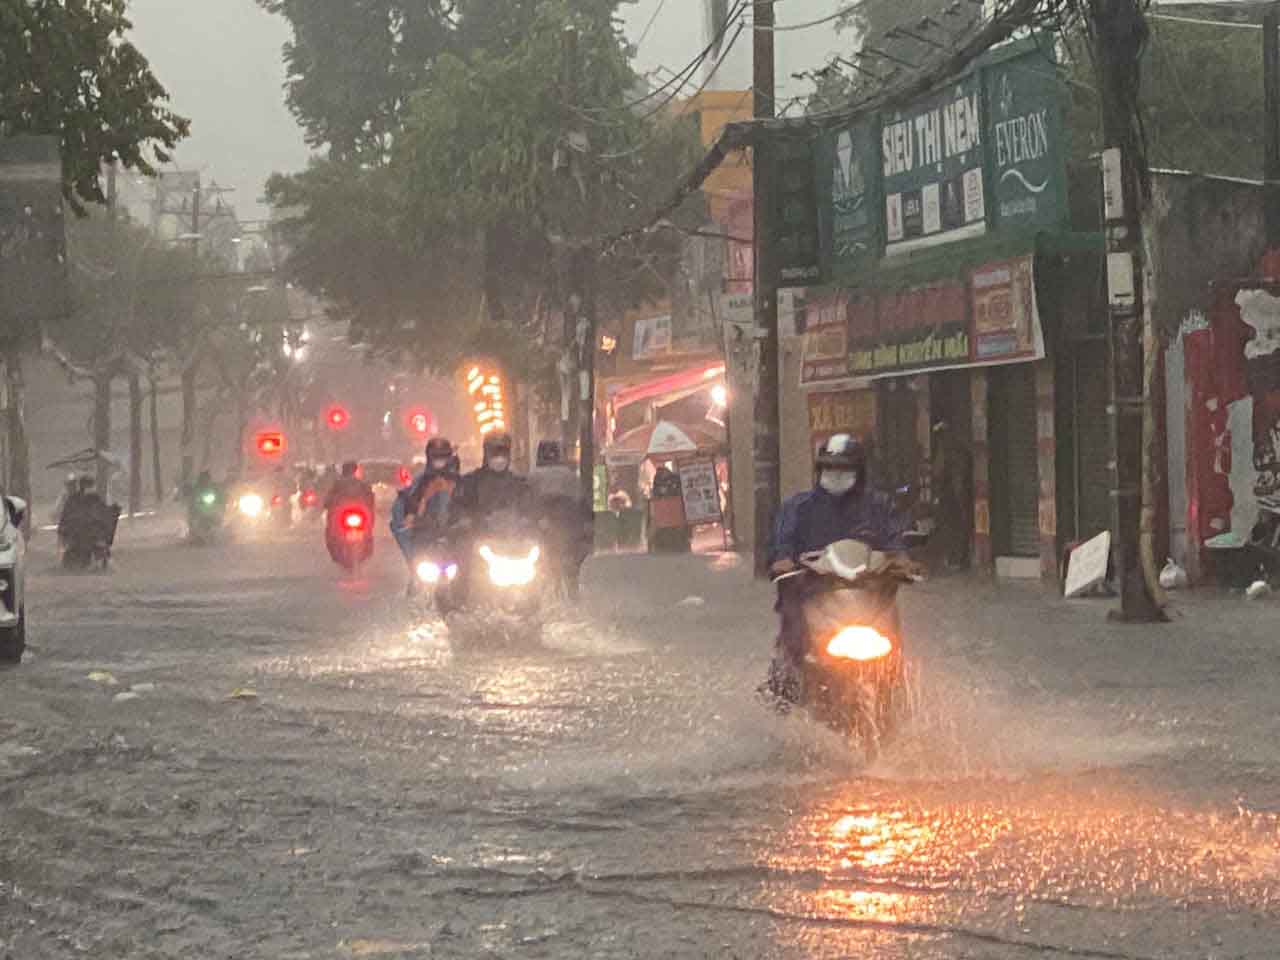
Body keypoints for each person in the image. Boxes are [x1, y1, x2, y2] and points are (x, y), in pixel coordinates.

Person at [764, 434, 909, 704]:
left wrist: (902, 559)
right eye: (830, 468)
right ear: (819, 470)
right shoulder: (798, 508)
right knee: (793, 641)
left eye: (845, 468)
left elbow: (895, 539)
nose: (837, 475)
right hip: (811, 594)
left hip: (867, 597)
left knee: (894, 649)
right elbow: (781, 543)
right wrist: (782, 559)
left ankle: (898, 695)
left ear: (859, 471)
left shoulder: (878, 506)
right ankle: (784, 694)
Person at [391, 437, 460, 586]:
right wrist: (408, 520)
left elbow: (474, 506)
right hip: (426, 544)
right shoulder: (419, 484)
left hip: (454, 542)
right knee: (416, 584)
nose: (439, 461)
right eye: (436, 457)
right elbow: (399, 516)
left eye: (443, 457)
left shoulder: (462, 483)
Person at [529, 440, 592, 602]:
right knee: (570, 566)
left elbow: (527, 504)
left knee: (549, 564)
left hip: (545, 528)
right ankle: (573, 595)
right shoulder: (570, 476)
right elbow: (582, 503)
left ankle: (554, 594)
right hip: (569, 526)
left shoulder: (533, 476)